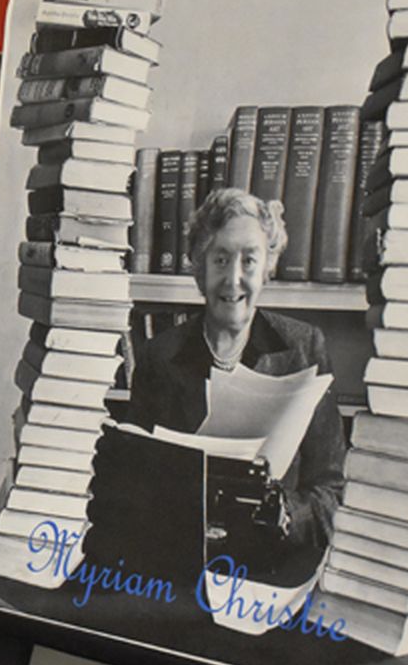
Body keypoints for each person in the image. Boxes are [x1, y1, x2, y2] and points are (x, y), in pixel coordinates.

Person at [123, 188, 345, 548]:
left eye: (249, 260)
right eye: (220, 259)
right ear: (199, 269)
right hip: (182, 557)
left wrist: (284, 514)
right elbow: (131, 484)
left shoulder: (305, 350)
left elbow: (332, 491)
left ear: (267, 268)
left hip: (273, 560)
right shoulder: (158, 358)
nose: (233, 279)